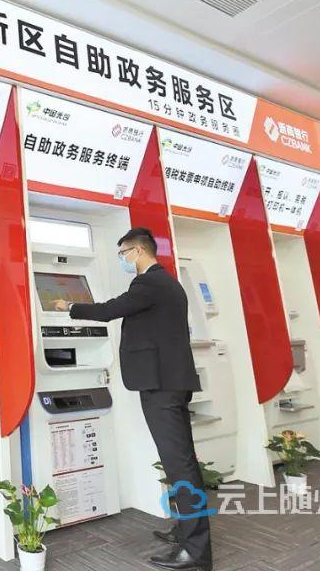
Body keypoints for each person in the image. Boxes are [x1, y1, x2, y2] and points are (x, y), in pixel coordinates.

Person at [53, 227, 211, 571]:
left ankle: (196, 552)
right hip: (170, 382)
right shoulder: (168, 283)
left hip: (162, 386)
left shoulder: (149, 283)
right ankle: (186, 531)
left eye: (123, 254)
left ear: (137, 251)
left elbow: (110, 309)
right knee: (182, 460)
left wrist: (70, 306)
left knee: (179, 464)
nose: (122, 260)